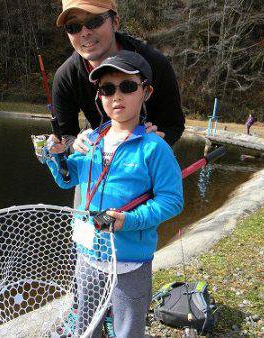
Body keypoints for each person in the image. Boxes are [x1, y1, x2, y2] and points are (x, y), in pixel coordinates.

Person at [45, 50, 184, 338]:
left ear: (146, 92)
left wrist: (128, 220)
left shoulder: (154, 148)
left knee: (127, 329)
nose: (116, 96)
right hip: (87, 255)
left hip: (130, 263)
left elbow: (172, 201)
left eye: (127, 87)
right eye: (108, 89)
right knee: (87, 324)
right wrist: (55, 156)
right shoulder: (92, 141)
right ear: (99, 96)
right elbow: (67, 180)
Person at [53, 0, 185, 153]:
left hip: (147, 159)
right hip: (100, 162)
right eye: (73, 26)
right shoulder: (65, 77)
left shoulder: (155, 63)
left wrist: (161, 139)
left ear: (115, 22)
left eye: (94, 21)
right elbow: (65, 135)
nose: (84, 32)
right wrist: (74, 144)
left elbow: (174, 125)